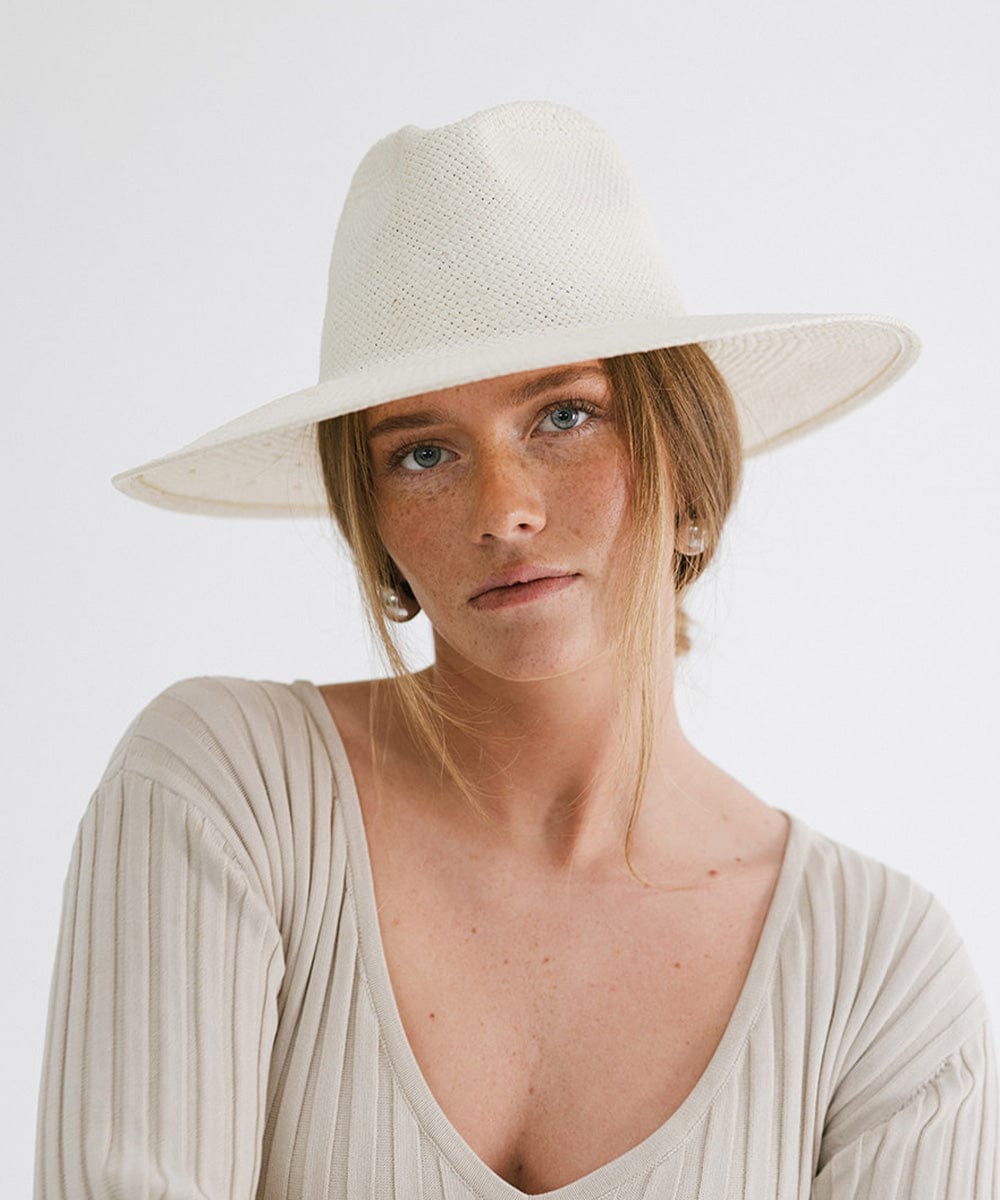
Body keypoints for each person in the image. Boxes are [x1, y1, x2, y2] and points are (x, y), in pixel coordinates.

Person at [33, 101, 997, 1198]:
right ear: (373, 523)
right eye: (423, 452)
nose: (503, 509)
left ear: (684, 455)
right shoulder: (228, 788)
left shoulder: (880, 978)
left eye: (563, 417)